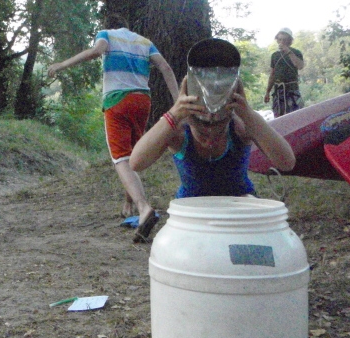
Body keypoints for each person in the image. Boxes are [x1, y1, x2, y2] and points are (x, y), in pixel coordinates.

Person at [47, 13, 180, 243]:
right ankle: (129, 203)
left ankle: (144, 208)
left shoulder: (106, 34)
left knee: (120, 158)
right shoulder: (144, 42)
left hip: (117, 100)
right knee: (133, 155)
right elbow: (166, 68)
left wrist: (62, 64)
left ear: (107, 26)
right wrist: (178, 102)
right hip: (142, 100)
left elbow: (97, 51)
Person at [131, 38, 295, 223]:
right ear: (189, 117)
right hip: (192, 211)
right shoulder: (178, 131)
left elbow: (286, 162)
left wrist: (248, 114)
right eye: (202, 128)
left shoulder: (240, 127)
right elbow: (136, 162)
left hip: (240, 206)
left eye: (219, 125)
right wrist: (173, 114)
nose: (210, 134)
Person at [264, 27, 305, 117]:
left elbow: (300, 66)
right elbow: (272, 75)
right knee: (278, 117)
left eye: (284, 40)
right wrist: (267, 92)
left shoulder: (296, 53)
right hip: (278, 93)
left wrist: (288, 52)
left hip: (292, 91)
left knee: (295, 116)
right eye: (280, 39)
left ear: (289, 41)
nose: (281, 42)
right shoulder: (274, 55)